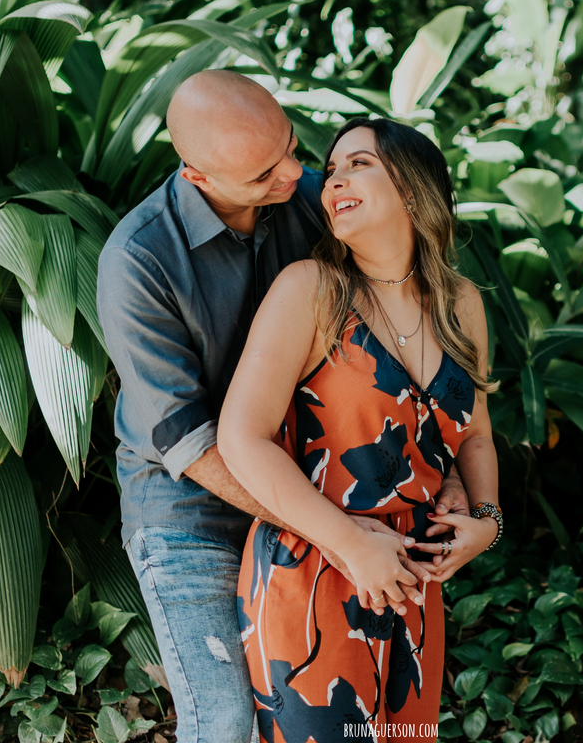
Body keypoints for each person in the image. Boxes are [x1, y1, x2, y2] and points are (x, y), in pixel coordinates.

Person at [96, 72, 469, 743]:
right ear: (198, 175)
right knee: (228, 723)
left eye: (295, 149)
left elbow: (396, 329)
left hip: (319, 494)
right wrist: (337, 534)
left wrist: (453, 480)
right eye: (265, 171)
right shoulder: (138, 260)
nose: (295, 174)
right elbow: (194, 443)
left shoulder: (302, 198)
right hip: (191, 512)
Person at [218, 118, 502, 743]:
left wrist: (487, 518)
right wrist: (349, 543)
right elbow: (242, 437)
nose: (334, 179)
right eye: (333, 167)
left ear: (414, 186)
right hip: (313, 570)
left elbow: (474, 433)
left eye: (360, 164)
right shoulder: (311, 291)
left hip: (412, 586)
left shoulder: (462, 303)